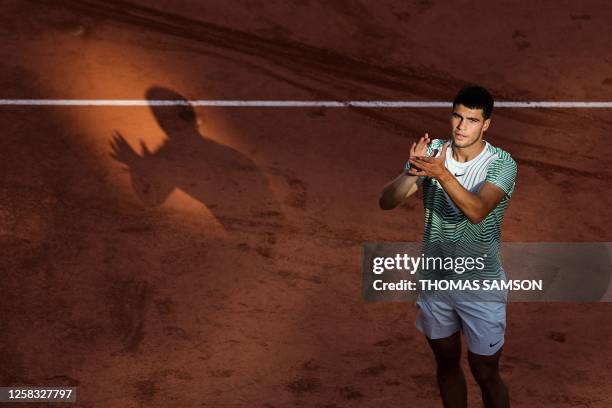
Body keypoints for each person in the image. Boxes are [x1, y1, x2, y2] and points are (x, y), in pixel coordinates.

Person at [379, 85, 517, 408]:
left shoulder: (502, 165)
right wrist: (411, 173)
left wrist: (440, 174)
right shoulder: (434, 153)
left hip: (480, 285)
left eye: (471, 120)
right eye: (457, 116)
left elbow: (477, 211)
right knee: (446, 363)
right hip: (436, 281)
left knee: (485, 371)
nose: (460, 126)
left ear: (486, 125)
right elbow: (387, 201)